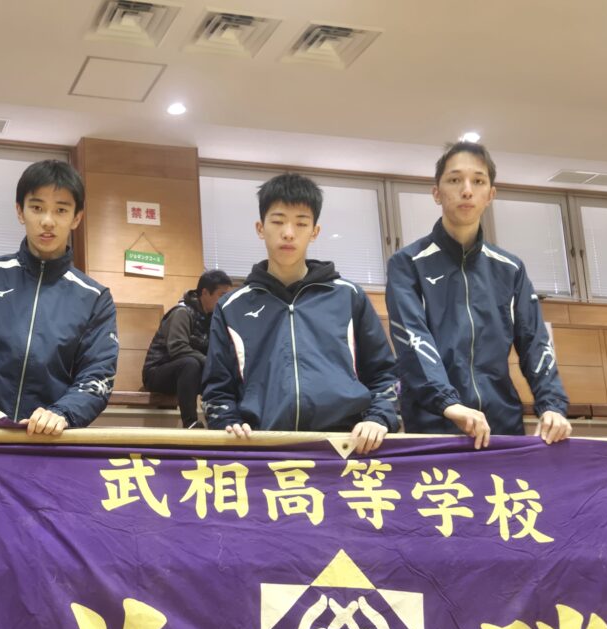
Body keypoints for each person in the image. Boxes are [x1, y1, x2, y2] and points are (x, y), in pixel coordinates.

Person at [0, 159, 118, 550]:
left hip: (46, 458)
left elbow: (97, 377)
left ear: (77, 218)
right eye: (37, 207)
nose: (47, 220)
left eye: (61, 210)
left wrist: (63, 412)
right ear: (20, 211)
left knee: (36, 569)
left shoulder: (94, 297)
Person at [385, 141, 571, 449]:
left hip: (501, 425)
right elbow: (413, 340)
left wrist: (551, 405)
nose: (467, 190)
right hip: (434, 425)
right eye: (455, 179)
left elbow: (535, 342)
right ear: (436, 193)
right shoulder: (408, 264)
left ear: (491, 195)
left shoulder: (510, 269)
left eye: (478, 181)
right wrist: (449, 404)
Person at [202, 173, 398, 454]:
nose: (288, 233)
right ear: (260, 228)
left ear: (315, 232)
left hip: (346, 447)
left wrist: (378, 418)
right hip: (262, 448)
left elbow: (384, 374)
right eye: (278, 221)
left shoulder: (348, 296)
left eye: (301, 223)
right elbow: (217, 389)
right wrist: (227, 423)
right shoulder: (232, 307)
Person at [142, 269, 233, 428]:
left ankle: (223, 419)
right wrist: (209, 363)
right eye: (222, 295)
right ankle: (190, 423)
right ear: (205, 292)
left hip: (187, 374)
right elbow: (177, 348)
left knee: (224, 370)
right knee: (191, 364)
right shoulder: (182, 312)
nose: (225, 301)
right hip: (157, 373)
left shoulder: (213, 319)